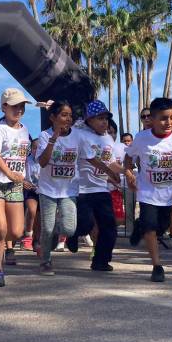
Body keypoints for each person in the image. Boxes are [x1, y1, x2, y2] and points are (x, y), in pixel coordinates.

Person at [124, 98, 172, 283]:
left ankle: (140, 225)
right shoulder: (141, 138)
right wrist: (128, 173)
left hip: (170, 194)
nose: (169, 122)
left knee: (161, 227)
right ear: (152, 120)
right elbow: (128, 158)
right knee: (150, 227)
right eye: (163, 118)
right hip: (147, 191)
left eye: (171, 117)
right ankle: (157, 266)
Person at [0, 88, 31, 287]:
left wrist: (22, 177)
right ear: (4, 107)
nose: (18, 110)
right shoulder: (0, 129)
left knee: (17, 232)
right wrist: (9, 173)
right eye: (14, 106)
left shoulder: (25, 130)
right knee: (1, 227)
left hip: (15, 185)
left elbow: (22, 157)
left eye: (21, 106)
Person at [69, 100, 122, 271]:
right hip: (82, 189)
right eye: (100, 118)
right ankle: (72, 234)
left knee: (109, 228)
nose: (104, 122)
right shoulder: (80, 135)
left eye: (106, 118)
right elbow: (93, 159)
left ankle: (101, 261)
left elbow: (111, 161)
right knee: (85, 224)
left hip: (101, 189)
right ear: (89, 120)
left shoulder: (107, 138)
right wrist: (110, 172)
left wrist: (125, 171)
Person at [35, 101, 80, 275]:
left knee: (69, 229)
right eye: (63, 115)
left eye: (69, 115)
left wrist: (109, 170)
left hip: (69, 190)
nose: (68, 119)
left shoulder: (78, 136)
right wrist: (54, 138)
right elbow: (43, 162)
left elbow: (90, 156)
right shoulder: (44, 136)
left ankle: (54, 234)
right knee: (46, 228)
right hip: (48, 190)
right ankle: (46, 261)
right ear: (53, 117)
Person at [23, 137, 40, 253]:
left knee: (40, 216)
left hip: (44, 191)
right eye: (34, 148)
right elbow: (21, 173)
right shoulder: (26, 160)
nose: (37, 150)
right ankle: (28, 235)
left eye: (40, 148)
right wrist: (24, 182)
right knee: (32, 210)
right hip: (30, 190)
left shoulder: (47, 159)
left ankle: (37, 240)